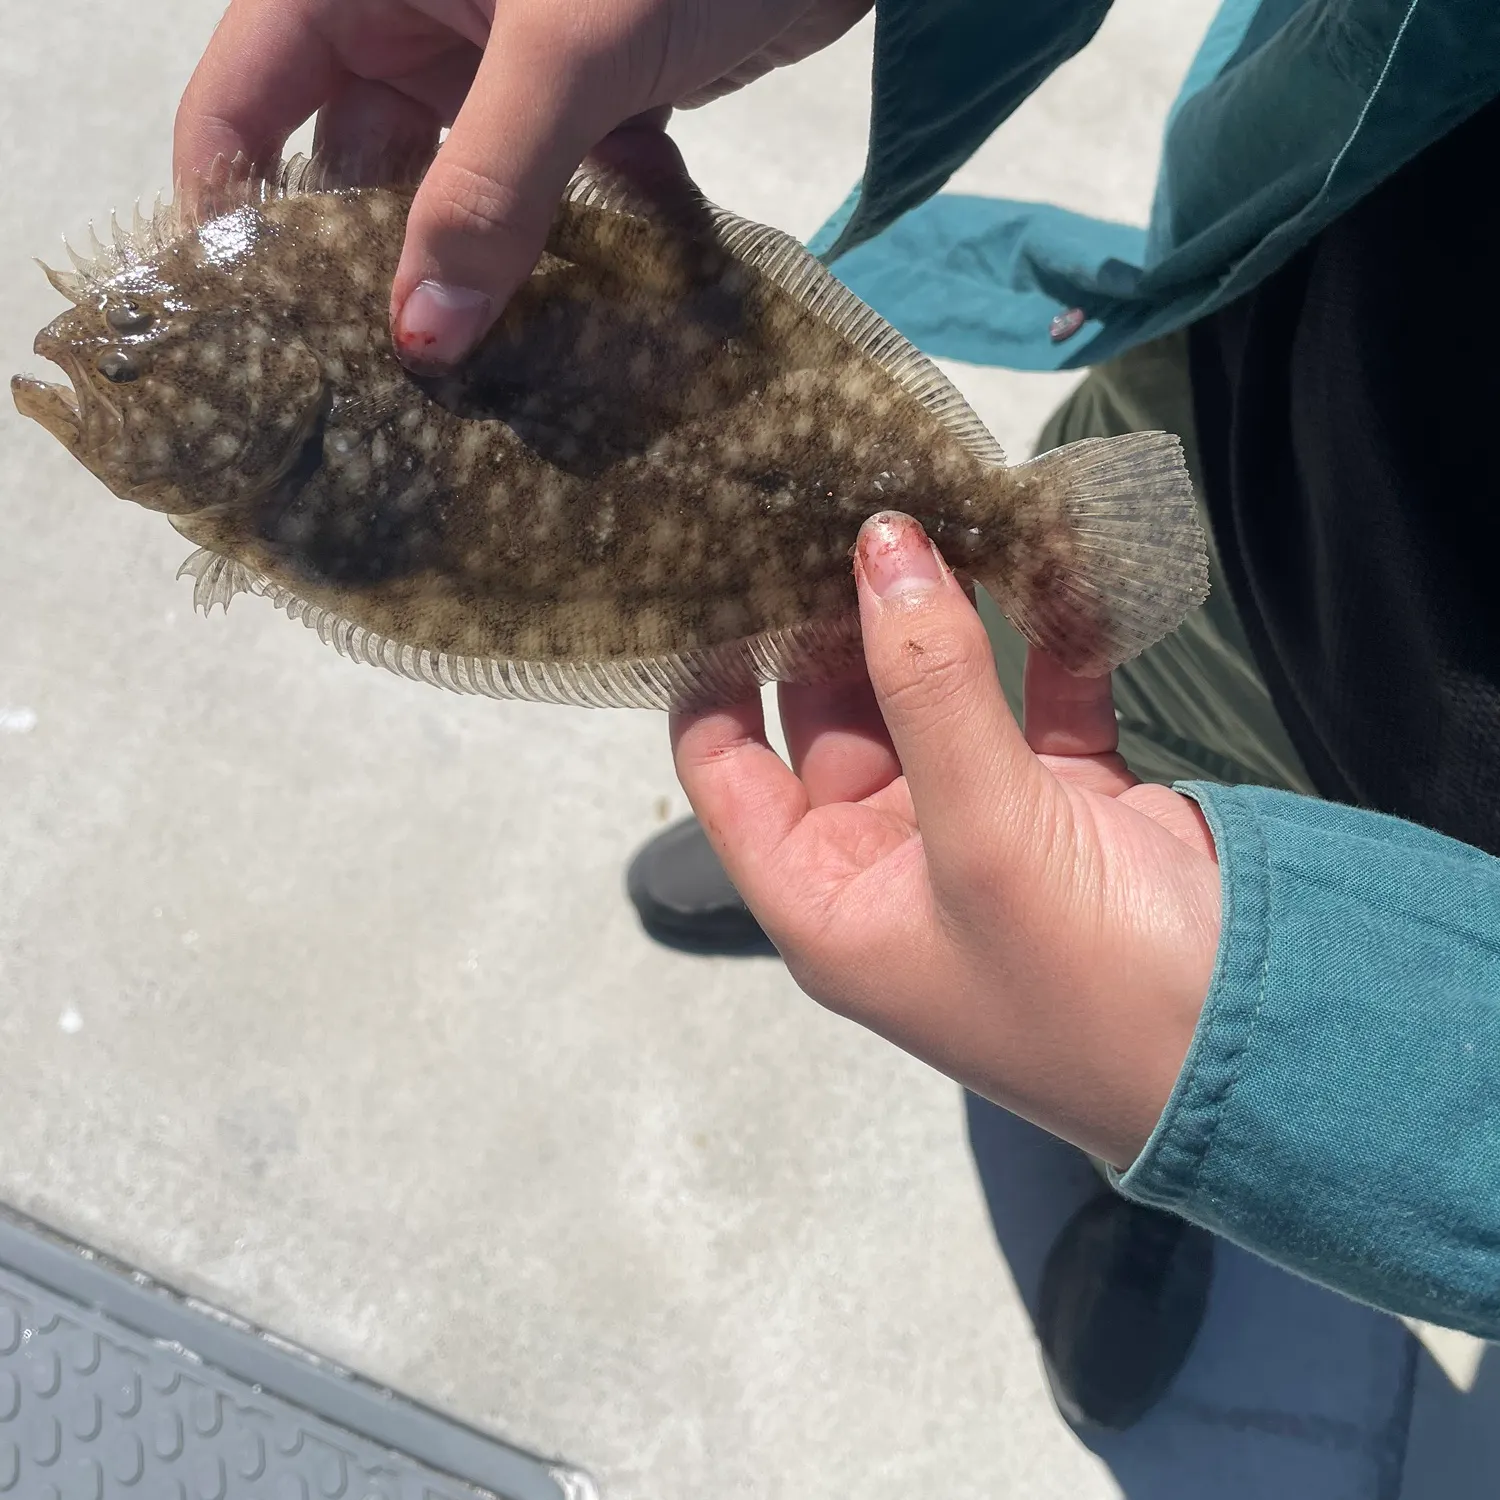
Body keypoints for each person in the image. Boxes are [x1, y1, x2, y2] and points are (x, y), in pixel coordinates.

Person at [175, 0, 1500, 1435]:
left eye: (145, 372)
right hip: (1285, 286)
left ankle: (1152, 1168)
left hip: (1438, 802)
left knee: (1157, 908)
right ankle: (904, 837)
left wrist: (1247, 1053)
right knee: (1008, 668)